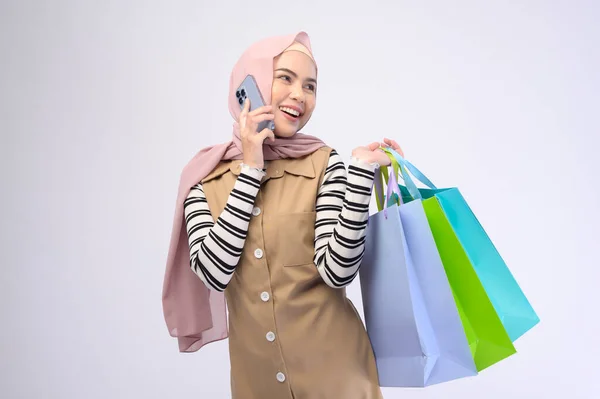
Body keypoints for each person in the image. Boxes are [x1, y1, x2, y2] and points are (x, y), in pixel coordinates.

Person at [162, 31, 403, 399]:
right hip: (256, 385)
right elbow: (214, 271)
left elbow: (337, 272)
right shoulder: (203, 180)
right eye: (285, 78)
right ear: (249, 85)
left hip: (338, 378)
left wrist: (359, 175)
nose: (299, 95)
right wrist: (250, 169)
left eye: (310, 86)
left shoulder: (325, 164)